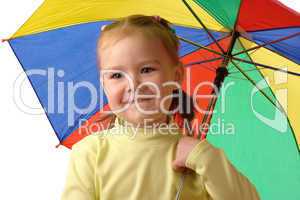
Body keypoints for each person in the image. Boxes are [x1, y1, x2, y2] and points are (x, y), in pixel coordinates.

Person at [61, 14, 260, 200]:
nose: (134, 84)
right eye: (116, 75)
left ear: (176, 76)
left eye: (147, 70)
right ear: (104, 85)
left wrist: (207, 159)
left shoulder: (195, 158)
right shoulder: (91, 153)